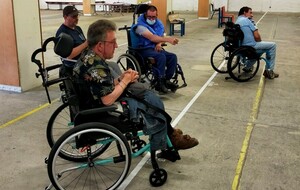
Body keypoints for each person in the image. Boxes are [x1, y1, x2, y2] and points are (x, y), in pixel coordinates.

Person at [73, 19, 199, 154]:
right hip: (99, 113)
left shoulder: (89, 57)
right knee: (154, 105)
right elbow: (107, 100)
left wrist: (121, 78)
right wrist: (125, 81)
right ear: (99, 45)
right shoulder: (96, 66)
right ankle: (167, 141)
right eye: (113, 42)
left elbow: (100, 84)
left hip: (91, 105)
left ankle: (171, 132)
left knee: (147, 97)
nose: (116, 46)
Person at [131, 5, 180, 93]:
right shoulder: (140, 27)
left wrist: (159, 43)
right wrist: (168, 40)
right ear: (145, 15)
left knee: (172, 57)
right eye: (149, 17)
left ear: (156, 15)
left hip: (153, 48)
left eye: (153, 17)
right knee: (161, 57)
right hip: (143, 50)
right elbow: (152, 38)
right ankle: (159, 83)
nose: (151, 19)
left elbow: (160, 36)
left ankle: (166, 80)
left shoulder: (158, 24)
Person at [235, 6, 279, 79]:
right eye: (250, 13)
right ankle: (269, 71)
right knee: (272, 45)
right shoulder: (247, 20)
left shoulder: (237, 21)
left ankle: (248, 67)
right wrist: (259, 41)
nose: (252, 15)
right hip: (250, 46)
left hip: (242, 46)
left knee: (259, 51)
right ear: (244, 12)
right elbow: (257, 36)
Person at [56, 5, 88, 77]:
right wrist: (86, 44)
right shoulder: (62, 33)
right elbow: (69, 55)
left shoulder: (77, 29)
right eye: (73, 17)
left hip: (86, 59)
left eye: (77, 16)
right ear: (65, 17)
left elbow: (85, 43)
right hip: (75, 64)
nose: (76, 18)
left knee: (112, 66)